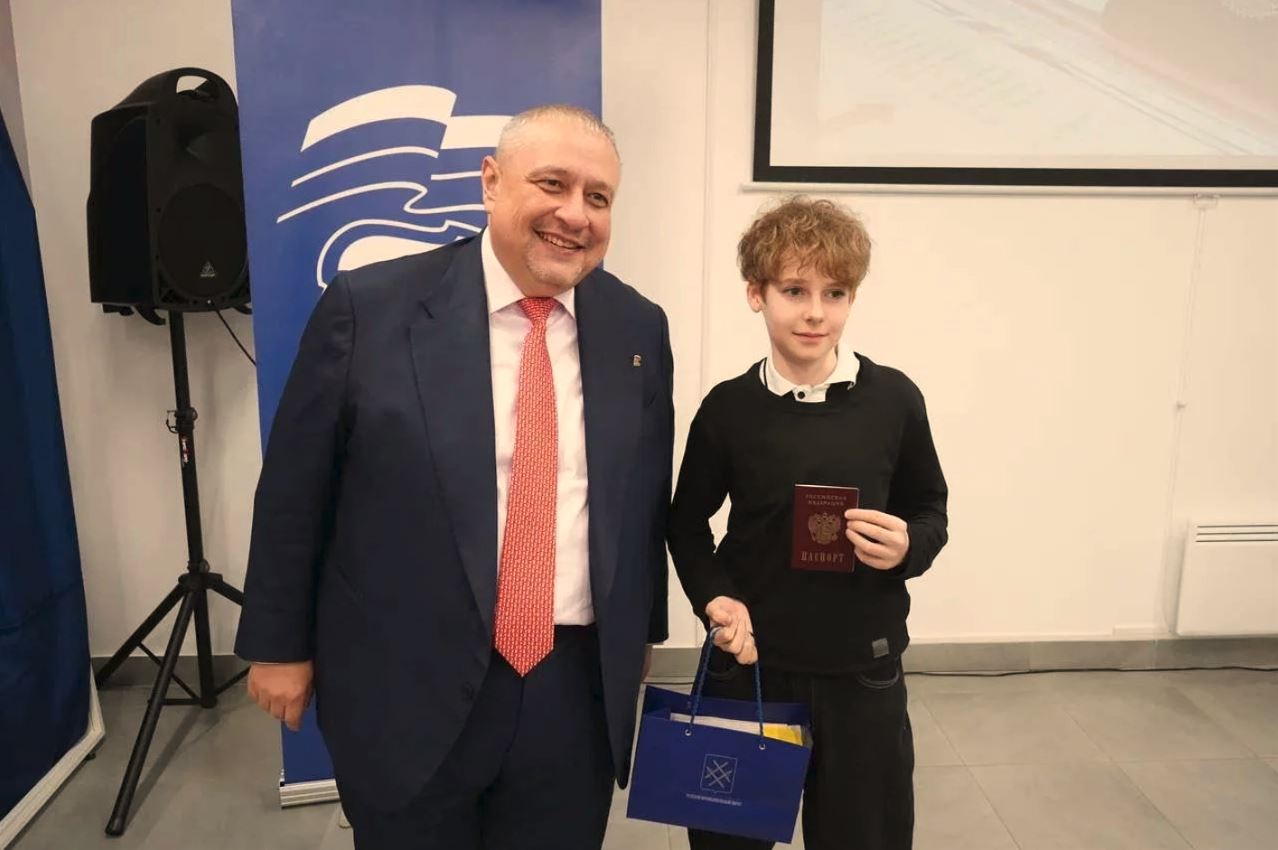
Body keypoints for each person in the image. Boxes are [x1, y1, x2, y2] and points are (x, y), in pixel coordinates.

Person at [234, 104, 674, 850]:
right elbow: (295, 491)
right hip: (407, 675)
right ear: (491, 182)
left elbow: (642, 496)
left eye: (598, 197)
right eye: (552, 184)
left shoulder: (638, 327)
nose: (575, 214)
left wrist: (642, 634)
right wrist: (279, 644)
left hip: (571, 687)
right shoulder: (369, 308)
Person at [667, 196, 948, 850]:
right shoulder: (728, 409)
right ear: (756, 294)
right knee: (727, 842)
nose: (815, 312)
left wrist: (910, 545)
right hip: (748, 667)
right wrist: (714, 599)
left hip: (862, 673)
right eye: (794, 290)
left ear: (852, 298)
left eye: (835, 292)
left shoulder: (895, 401)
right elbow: (685, 523)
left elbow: (930, 509)